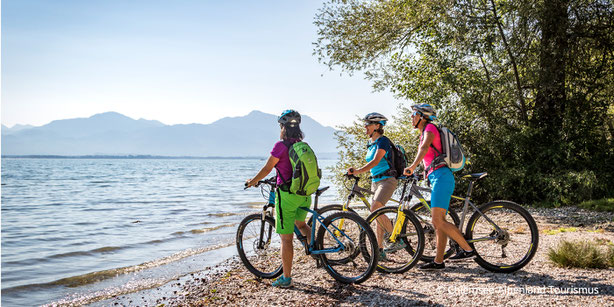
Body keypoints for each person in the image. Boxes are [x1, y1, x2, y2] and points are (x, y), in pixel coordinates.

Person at [403, 104, 475, 270]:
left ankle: (467, 249)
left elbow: (425, 148)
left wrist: (412, 166)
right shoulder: (423, 133)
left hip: (442, 178)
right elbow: (428, 158)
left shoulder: (430, 128)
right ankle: (438, 261)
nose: (412, 117)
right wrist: (419, 172)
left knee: (437, 220)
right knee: (439, 222)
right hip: (436, 177)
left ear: (423, 116)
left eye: (414, 114)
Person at [245, 110, 312, 287]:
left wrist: (253, 181)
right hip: (304, 195)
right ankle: (318, 253)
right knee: (302, 224)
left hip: (287, 196)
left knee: (286, 239)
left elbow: (268, 168)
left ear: (282, 127)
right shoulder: (301, 145)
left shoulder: (280, 146)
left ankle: (286, 278)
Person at [347, 112, 400, 260]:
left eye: (368, 124)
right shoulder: (371, 143)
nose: (365, 127)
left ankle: (396, 238)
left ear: (378, 126)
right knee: (377, 216)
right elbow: (372, 165)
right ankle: (380, 250)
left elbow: (376, 161)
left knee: (375, 208)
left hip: (387, 180)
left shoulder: (383, 141)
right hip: (375, 181)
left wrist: (358, 170)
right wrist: (356, 171)